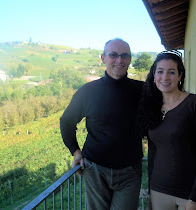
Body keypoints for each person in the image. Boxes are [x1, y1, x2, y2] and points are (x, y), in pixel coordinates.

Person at [60, 38, 144, 210]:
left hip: (130, 172)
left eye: (124, 55)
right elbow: (66, 122)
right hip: (95, 170)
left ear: (129, 59)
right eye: (113, 55)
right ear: (103, 58)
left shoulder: (142, 91)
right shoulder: (88, 92)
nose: (119, 60)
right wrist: (75, 151)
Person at [138, 50, 196, 210]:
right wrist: (151, 190)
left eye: (171, 72)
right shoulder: (152, 107)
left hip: (191, 195)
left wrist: (195, 198)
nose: (165, 77)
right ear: (153, 75)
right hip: (159, 192)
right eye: (160, 72)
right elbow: (153, 152)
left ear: (180, 76)